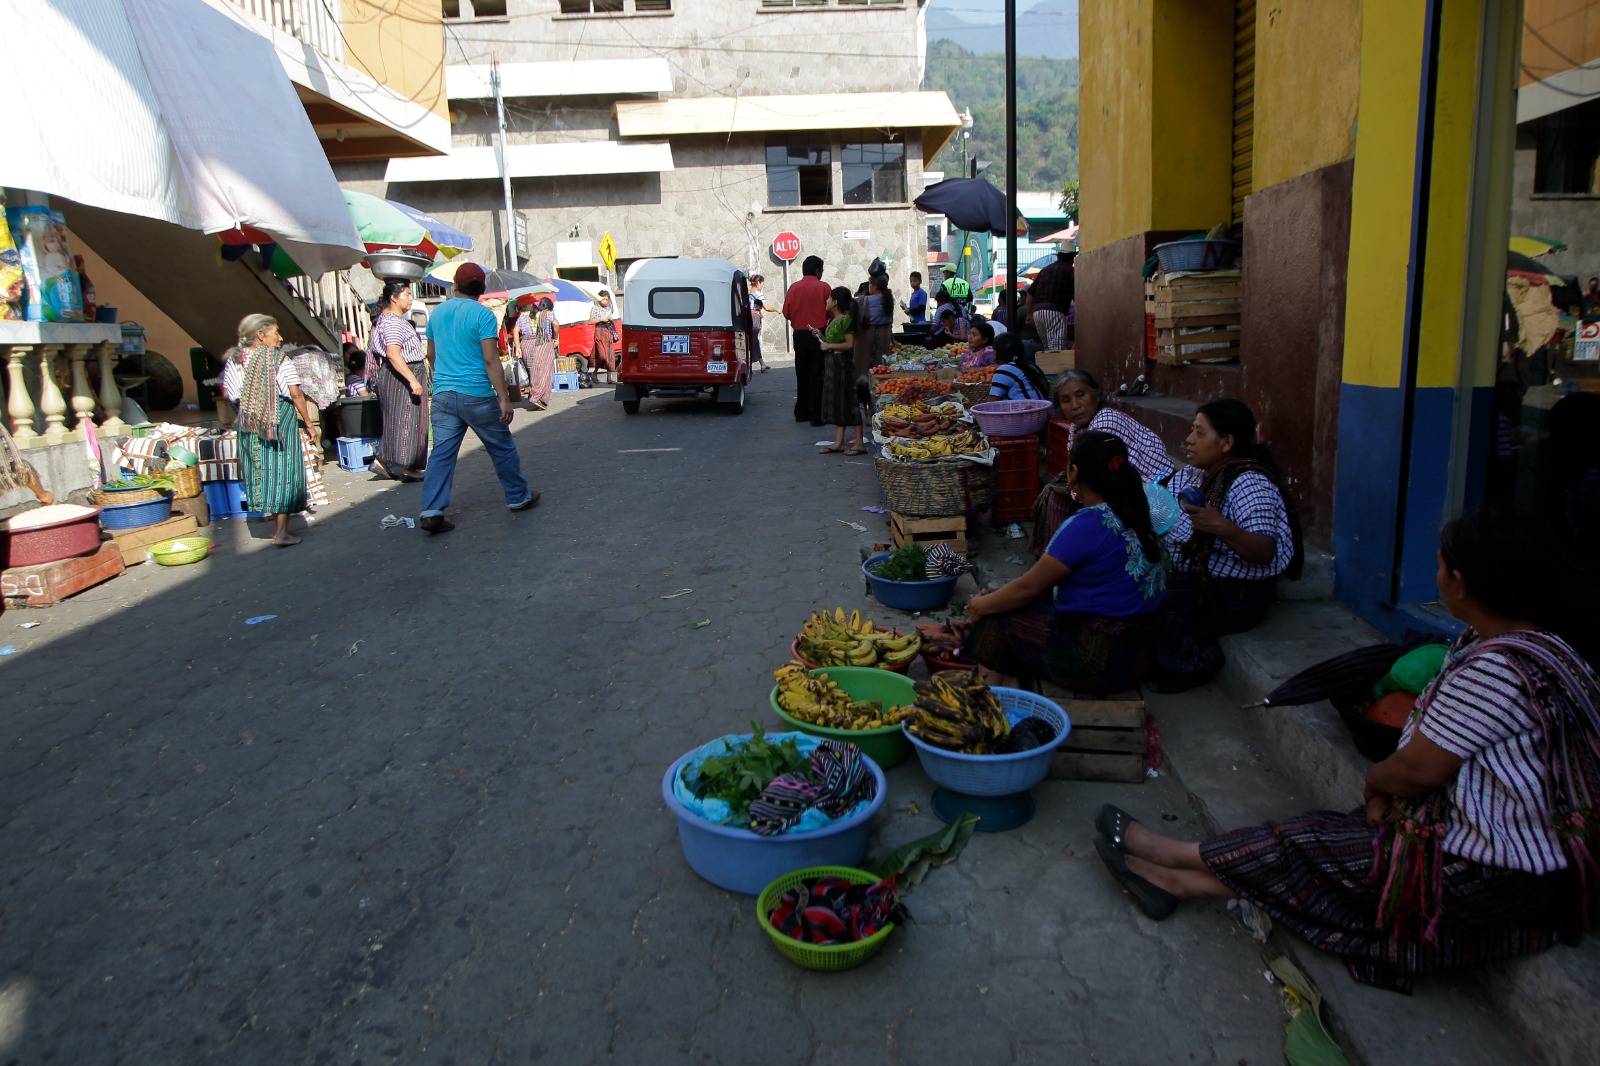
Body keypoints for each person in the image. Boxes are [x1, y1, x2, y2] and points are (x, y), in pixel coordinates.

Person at [1094, 508, 1600, 994]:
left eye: (1442, 566)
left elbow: (1417, 770)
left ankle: (1174, 862)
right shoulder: (1555, 649)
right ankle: (1187, 880)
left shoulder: (1495, 672)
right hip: (1533, 857)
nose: (1438, 574)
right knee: (1331, 836)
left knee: (1308, 845)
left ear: (1461, 584)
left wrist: (1377, 784)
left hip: (1494, 875)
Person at [963, 431, 1166, 693]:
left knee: (993, 621)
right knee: (1004, 606)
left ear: (1074, 471)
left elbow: (1029, 588)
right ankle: (1008, 697)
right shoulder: (1137, 511)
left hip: (1099, 661)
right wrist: (995, 598)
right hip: (1139, 656)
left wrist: (980, 605)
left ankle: (983, 710)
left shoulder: (1086, 524)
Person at [1153, 398, 1301, 689]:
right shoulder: (1196, 475)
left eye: (1199, 432)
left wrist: (1221, 527)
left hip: (1238, 596)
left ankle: (1198, 661)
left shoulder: (1249, 483)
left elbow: (1264, 551)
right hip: (1205, 580)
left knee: (1152, 597)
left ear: (1227, 442)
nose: (1189, 439)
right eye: (1192, 430)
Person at [417, 263, 537, 535]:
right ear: (482, 289)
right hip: (477, 395)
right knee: (501, 446)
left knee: (443, 454)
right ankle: (518, 497)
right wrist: (504, 399)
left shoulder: (437, 314)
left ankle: (432, 510)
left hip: (445, 395)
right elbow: (490, 359)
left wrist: (443, 380)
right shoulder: (483, 316)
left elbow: (432, 356)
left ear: (455, 286)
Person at [1029, 371, 1174, 558]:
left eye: (1081, 395)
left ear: (1097, 396)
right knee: (1053, 492)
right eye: (1066, 400)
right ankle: (1056, 560)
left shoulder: (1106, 422)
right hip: (1118, 485)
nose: (1075, 405)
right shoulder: (1077, 429)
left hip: (1152, 493)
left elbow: (1092, 481)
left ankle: (1061, 561)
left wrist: (1072, 489)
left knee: (1059, 500)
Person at [228, 314, 314, 547]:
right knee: (283, 471)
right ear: (260, 335)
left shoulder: (235, 361)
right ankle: (281, 532)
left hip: (250, 424)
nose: (280, 337)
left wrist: (252, 412)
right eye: (276, 332)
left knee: (262, 471)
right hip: (279, 422)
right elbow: (295, 393)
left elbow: (231, 395)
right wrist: (307, 422)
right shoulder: (279, 359)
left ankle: (275, 525)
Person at [366, 280, 429, 482]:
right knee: (406, 421)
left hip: (401, 373)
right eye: (406, 294)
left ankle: (384, 462)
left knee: (401, 420)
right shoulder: (392, 321)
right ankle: (407, 467)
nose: (410, 299)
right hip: (401, 374)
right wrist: (412, 380)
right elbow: (393, 354)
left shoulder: (391, 319)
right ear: (393, 297)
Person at [815, 286, 865, 456]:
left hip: (843, 364)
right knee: (839, 401)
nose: (826, 301)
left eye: (829, 298)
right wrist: (821, 337)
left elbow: (850, 345)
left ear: (835, 302)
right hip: (833, 365)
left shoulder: (846, 320)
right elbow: (833, 340)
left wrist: (828, 345)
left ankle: (859, 442)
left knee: (850, 400)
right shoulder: (832, 322)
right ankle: (839, 442)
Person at [783, 255, 830, 426]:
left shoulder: (794, 288)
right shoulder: (824, 287)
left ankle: (801, 411)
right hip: (818, 334)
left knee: (801, 373)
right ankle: (816, 415)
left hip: (800, 334)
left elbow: (786, 312)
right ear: (817, 270)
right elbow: (831, 311)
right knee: (817, 374)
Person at [1030, 251, 1075, 350]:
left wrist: (1029, 315)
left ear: (1058, 256)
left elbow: (1030, 293)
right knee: (1056, 350)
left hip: (1037, 312)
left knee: (1047, 348)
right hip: (1055, 312)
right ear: (1072, 258)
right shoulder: (1071, 271)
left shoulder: (1045, 270)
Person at [987, 334, 1049, 401]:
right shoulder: (1031, 365)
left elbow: (991, 403)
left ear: (996, 353)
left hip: (1025, 410)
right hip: (1043, 408)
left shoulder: (1005, 370)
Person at [523, 297, 558, 410]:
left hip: (531, 345)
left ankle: (537, 397)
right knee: (546, 372)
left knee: (535, 371)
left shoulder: (531, 314)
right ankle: (538, 397)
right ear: (548, 307)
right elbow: (556, 324)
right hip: (544, 345)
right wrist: (555, 337)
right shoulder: (548, 314)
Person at [857, 272, 894, 373]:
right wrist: (893, 341)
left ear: (876, 286)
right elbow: (890, 323)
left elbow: (859, 320)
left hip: (868, 335)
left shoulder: (865, 300)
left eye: (870, 284)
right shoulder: (889, 299)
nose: (868, 286)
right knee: (881, 366)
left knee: (865, 366)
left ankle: (865, 386)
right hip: (884, 336)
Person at [588, 289, 618, 387]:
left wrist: (609, 320)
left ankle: (609, 378)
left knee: (610, 355)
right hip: (599, 332)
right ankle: (595, 372)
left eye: (606, 299)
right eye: (603, 299)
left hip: (608, 331)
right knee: (602, 356)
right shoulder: (595, 308)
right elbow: (590, 321)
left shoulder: (608, 309)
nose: (605, 301)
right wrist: (602, 319)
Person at [748, 274, 768, 372]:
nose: (763, 285)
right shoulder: (758, 294)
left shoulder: (747, 292)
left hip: (750, 316)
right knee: (753, 340)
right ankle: (749, 365)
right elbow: (766, 307)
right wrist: (777, 309)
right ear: (758, 283)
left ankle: (762, 363)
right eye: (762, 283)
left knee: (754, 340)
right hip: (754, 318)